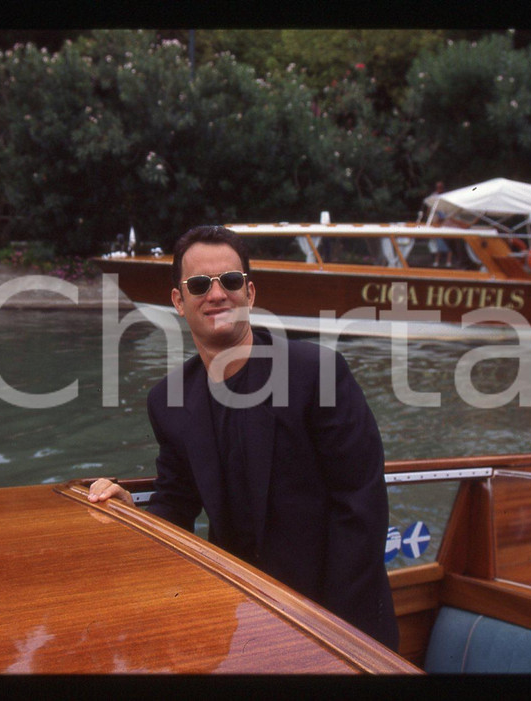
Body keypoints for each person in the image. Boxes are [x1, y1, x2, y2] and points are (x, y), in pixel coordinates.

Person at [89, 225, 400, 651]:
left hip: (339, 624)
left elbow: (360, 507)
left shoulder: (317, 374)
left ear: (249, 293)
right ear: (179, 301)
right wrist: (132, 515)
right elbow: (178, 501)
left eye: (231, 281)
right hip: (240, 620)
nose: (217, 295)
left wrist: (328, 631)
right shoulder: (168, 401)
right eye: (199, 285)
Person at [426, 181, 453, 267]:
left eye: (441, 187)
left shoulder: (447, 196)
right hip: (436, 222)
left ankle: (448, 262)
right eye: (438, 187)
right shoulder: (433, 196)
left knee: (449, 241)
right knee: (437, 242)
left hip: (446, 222)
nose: (439, 189)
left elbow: (450, 209)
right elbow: (429, 210)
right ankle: (436, 261)